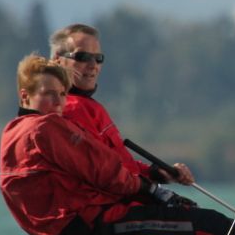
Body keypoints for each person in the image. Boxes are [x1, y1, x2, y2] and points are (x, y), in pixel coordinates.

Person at [0, 55, 235, 235]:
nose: (58, 102)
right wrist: (151, 191)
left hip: (93, 229)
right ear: (25, 96)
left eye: (61, 94)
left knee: (210, 227)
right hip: (101, 227)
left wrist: (151, 184)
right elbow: (103, 169)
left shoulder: (13, 134)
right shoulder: (44, 128)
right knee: (222, 231)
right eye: (49, 94)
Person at [49, 23, 194, 186]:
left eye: (98, 58)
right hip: (109, 207)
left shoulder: (87, 106)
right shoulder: (71, 108)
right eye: (82, 57)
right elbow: (105, 172)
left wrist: (158, 173)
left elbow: (122, 164)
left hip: (121, 202)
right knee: (209, 214)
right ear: (57, 59)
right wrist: (148, 190)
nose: (93, 65)